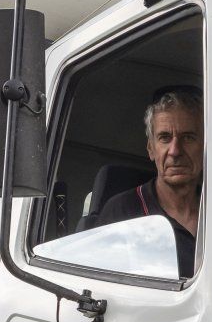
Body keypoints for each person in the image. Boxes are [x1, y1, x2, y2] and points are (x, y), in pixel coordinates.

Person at [84, 86, 203, 277]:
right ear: (151, 149)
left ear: (205, 145)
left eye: (188, 138)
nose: (175, 151)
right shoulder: (122, 212)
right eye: (165, 138)